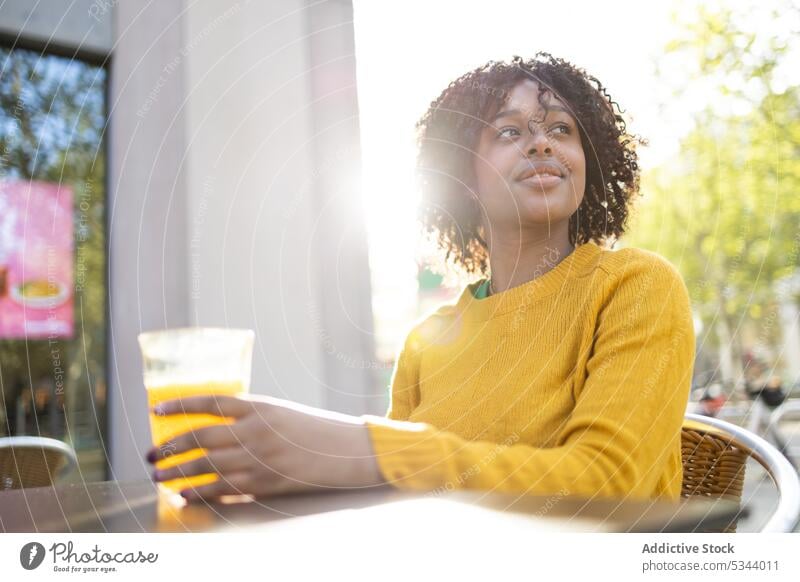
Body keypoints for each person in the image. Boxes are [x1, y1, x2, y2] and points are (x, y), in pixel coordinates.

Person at [145, 53, 696, 503]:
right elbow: (393, 498)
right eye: (508, 131)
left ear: (587, 158)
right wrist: (294, 473)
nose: (542, 143)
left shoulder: (636, 286)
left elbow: (609, 488)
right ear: (462, 176)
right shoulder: (427, 341)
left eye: (561, 129)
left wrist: (367, 449)